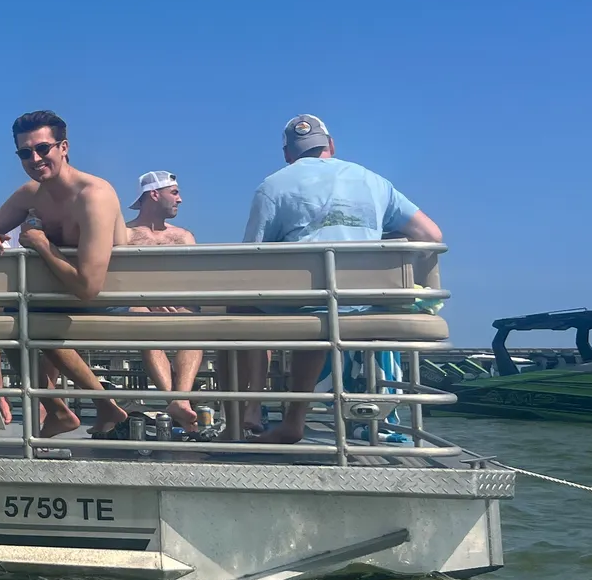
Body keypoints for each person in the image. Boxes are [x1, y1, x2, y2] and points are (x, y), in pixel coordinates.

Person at [241, 114, 444, 443]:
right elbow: (431, 234)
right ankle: (378, 418)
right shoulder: (373, 181)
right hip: (365, 303)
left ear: (288, 155)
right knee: (330, 309)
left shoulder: (273, 186)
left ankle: (252, 409)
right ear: (331, 146)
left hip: (305, 305)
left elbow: (251, 258)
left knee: (248, 309)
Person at [0, 110, 129, 439]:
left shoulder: (93, 196)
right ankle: (62, 410)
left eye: (43, 149)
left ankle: (102, 404)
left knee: (23, 317)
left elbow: (89, 288)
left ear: (64, 147)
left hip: (107, 300)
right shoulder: (31, 194)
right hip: (58, 298)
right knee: (5, 320)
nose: (35, 158)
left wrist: (41, 244)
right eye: (25, 153)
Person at [125, 170, 202, 431]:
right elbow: (117, 278)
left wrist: (171, 297)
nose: (180, 199)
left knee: (193, 323)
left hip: (178, 304)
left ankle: (177, 402)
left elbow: (194, 279)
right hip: (140, 305)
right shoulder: (125, 235)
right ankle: (178, 402)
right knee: (141, 316)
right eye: (175, 192)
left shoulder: (184, 236)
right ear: (154, 195)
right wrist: (148, 296)